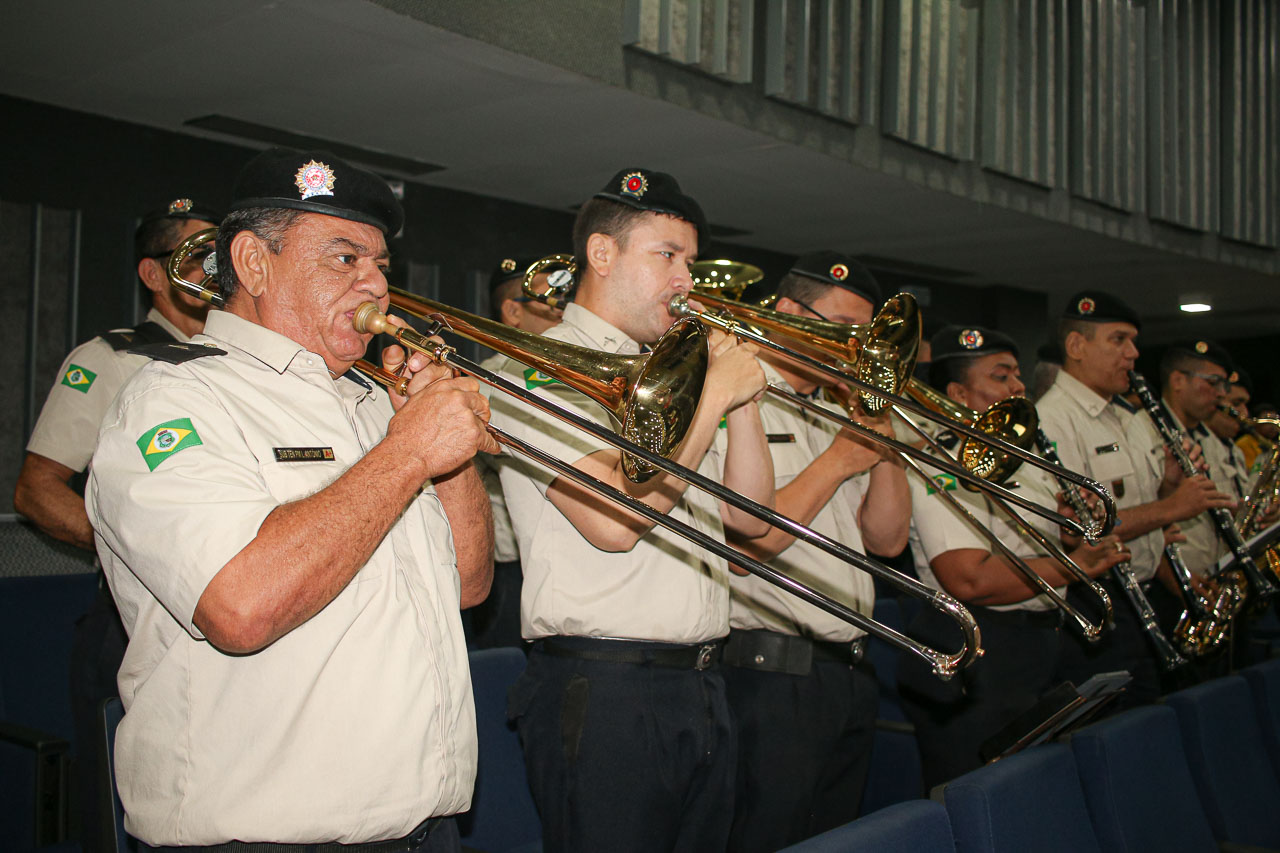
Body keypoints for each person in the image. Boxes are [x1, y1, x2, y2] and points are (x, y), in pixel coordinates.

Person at [86, 148, 497, 850]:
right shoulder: (172, 399)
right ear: (252, 263)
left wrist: (449, 457)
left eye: (381, 265)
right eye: (344, 258)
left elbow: (468, 583)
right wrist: (409, 453)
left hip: (421, 832)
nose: (376, 284)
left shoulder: (374, 402)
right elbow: (239, 606)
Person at [490, 167, 774, 852]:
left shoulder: (672, 372)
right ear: (602, 254)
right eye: (667, 256)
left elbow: (754, 521)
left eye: (691, 262)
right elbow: (615, 521)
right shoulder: (535, 367)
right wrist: (710, 399)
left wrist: (744, 397)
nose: (688, 280)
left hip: (703, 681)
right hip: (608, 688)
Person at [12, 196, 220, 851]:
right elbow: (37, 489)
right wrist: (129, 551)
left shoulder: (253, 366)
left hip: (239, 612)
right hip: (135, 623)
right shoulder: (113, 358)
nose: (213, 271)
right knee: (128, 808)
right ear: (153, 274)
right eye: (195, 257)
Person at [720, 252, 907, 851]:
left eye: (864, 336)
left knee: (836, 838)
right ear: (785, 313)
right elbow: (753, 537)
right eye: (841, 330)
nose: (852, 348)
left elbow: (888, 539)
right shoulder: (733, 397)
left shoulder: (831, 408)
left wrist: (884, 444)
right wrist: (840, 460)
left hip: (848, 667)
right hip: (773, 674)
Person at [897, 324, 1127, 788]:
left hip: (1035, 643)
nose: (1019, 387)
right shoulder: (939, 458)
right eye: (1001, 377)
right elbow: (970, 579)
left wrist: (1070, 532)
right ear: (958, 392)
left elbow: (1028, 546)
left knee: (1031, 791)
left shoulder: (1021, 454)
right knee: (975, 792)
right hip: (981, 651)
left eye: (1018, 375)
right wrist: (1075, 566)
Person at [1037, 292, 1231, 706]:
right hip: (1098, 602)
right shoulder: (1052, 419)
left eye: (1133, 342)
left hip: (1144, 594)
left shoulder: (1127, 417)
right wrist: (1172, 507)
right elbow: (1076, 530)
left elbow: (1144, 505)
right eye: (1119, 340)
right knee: (1116, 732)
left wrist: (1170, 487)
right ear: (1076, 347)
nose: (1133, 353)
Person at [466, 257, 565, 648]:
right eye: (548, 297)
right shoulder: (491, 381)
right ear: (513, 312)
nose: (562, 307)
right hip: (510, 571)